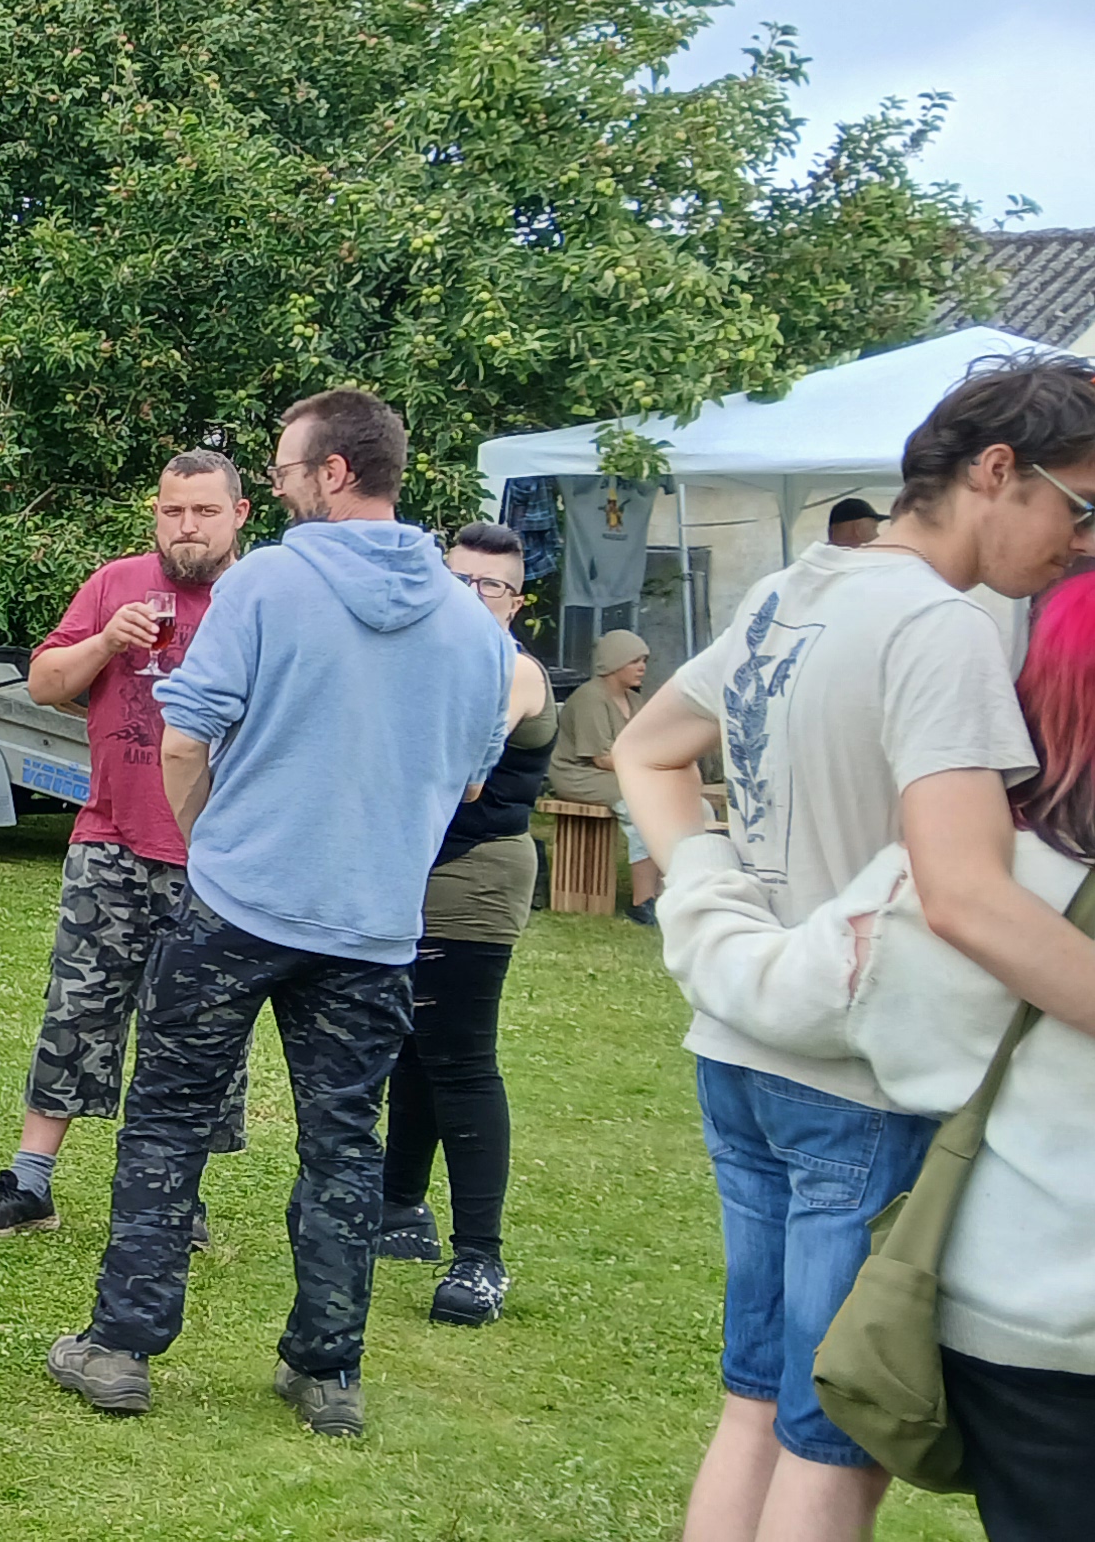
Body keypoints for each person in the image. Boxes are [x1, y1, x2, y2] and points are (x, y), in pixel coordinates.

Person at [612, 354, 1095, 1542]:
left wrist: (711, 885)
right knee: (835, 1441)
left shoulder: (796, 589)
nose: (1082, 546)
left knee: (753, 1406)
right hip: (857, 1074)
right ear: (998, 470)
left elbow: (647, 750)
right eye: (1080, 508)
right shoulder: (946, 629)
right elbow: (968, 897)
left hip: (741, 1049)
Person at [44, 388, 511, 1440]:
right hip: (372, 926)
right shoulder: (471, 626)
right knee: (345, 1144)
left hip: (238, 905)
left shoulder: (266, 582)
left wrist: (213, 846)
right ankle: (327, 1371)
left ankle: (120, 1350)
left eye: (288, 469)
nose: (282, 483)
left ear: (333, 473)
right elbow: (472, 779)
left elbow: (183, 738)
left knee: (167, 1121)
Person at [0, 450, 253, 1237]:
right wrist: (105, 644)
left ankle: (177, 1196)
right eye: (172, 510)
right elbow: (44, 682)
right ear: (155, 513)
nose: (186, 526)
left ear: (239, 515)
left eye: (204, 511)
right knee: (76, 1009)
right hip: (111, 838)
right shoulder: (116, 583)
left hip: (218, 858)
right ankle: (31, 1183)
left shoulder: (263, 596)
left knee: (199, 1027)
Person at [373, 521, 555, 1328]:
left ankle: (481, 1258)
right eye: (458, 580)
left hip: (472, 876)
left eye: (490, 585)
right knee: (413, 1045)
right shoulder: (433, 661)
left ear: (515, 602)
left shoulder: (511, 670)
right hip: (414, 871)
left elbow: (463, 772)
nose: (472, 596)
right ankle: (399, 1208)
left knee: (462, 1060)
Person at [547, 628, 661, 922]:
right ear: (613, 662)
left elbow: (647, 746)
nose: (642, 667)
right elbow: (601, 758)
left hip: (623, 774)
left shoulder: (634, 701)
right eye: (634, 661)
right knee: (643, 808)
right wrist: (650, 768)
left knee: (684, 805)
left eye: (644, 661)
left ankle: (669, 895)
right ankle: (642, 902)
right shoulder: (590, 698)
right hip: (580, 774)